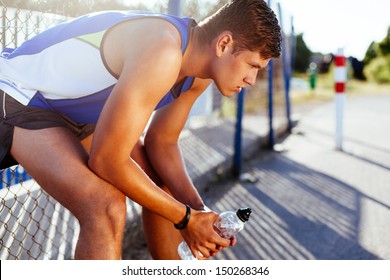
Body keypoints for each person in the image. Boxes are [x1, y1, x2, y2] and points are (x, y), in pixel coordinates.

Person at [0, 0, 281, 259]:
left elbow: (162, 143)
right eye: (252, 65)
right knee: (105, 206)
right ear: (223, 44)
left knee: (161, 183)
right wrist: (186, 219)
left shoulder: (198, 74)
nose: (252, 79)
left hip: (69, 111)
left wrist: (199, 211)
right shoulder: (164, 50)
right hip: (19, 94)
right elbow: (107, 161)